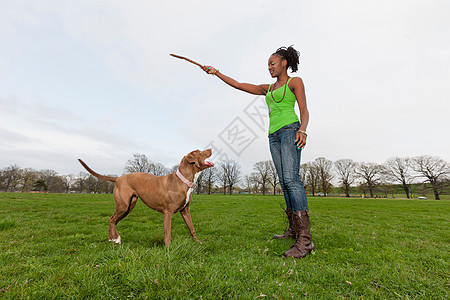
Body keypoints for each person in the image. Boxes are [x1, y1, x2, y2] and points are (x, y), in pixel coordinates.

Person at [203, 46, 314, 258]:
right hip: (273, 135)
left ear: (284, 63)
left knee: (292, 179)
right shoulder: (269, 88)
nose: (269, 68)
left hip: (291, 130)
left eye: (272, 64)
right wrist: (216, 72)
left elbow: (304, 109)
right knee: (283, 182)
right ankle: (293, 230)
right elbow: (238, 85)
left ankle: (305, 241)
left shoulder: (295, 82)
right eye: (267, 65)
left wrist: (303, 130)